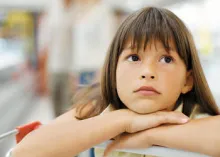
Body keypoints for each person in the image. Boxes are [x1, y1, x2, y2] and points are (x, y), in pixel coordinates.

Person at [12, 7, 220, 157]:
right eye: (134, 58)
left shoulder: (195, 117)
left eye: (166, 59)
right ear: (113, 71)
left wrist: (147, 135)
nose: (148, 72)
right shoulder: (98, 110)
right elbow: (24, 152)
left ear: (188, 80)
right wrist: (123, 121)